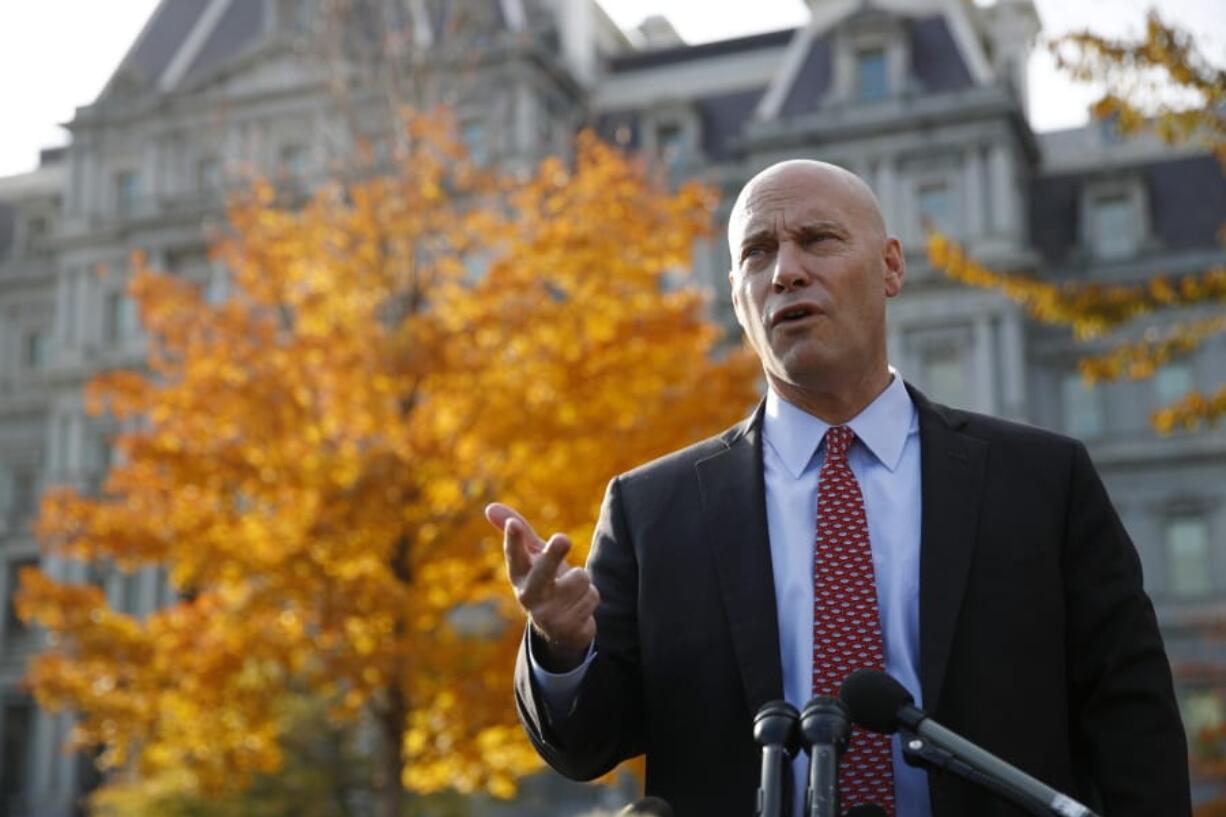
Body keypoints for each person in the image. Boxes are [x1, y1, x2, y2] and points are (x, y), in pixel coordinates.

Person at [486, 160, 1190, 816]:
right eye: (757, 254)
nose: (787, 271)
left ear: (890, 267)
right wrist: (561, 645)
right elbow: (584, 746)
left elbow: (1133, 723)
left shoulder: (1043, 480)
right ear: (738, 299)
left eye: (817, 240)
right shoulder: (651, 510)